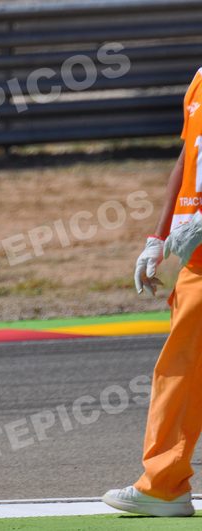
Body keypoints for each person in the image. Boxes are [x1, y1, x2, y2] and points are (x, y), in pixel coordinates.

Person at [103, 66, 202, 517]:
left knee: (181, 373)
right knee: (180, 373)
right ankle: (164, 483)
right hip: (193, 260)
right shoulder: (199, 80)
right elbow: (187, 159)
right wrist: (158, 236)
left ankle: (164, 484)